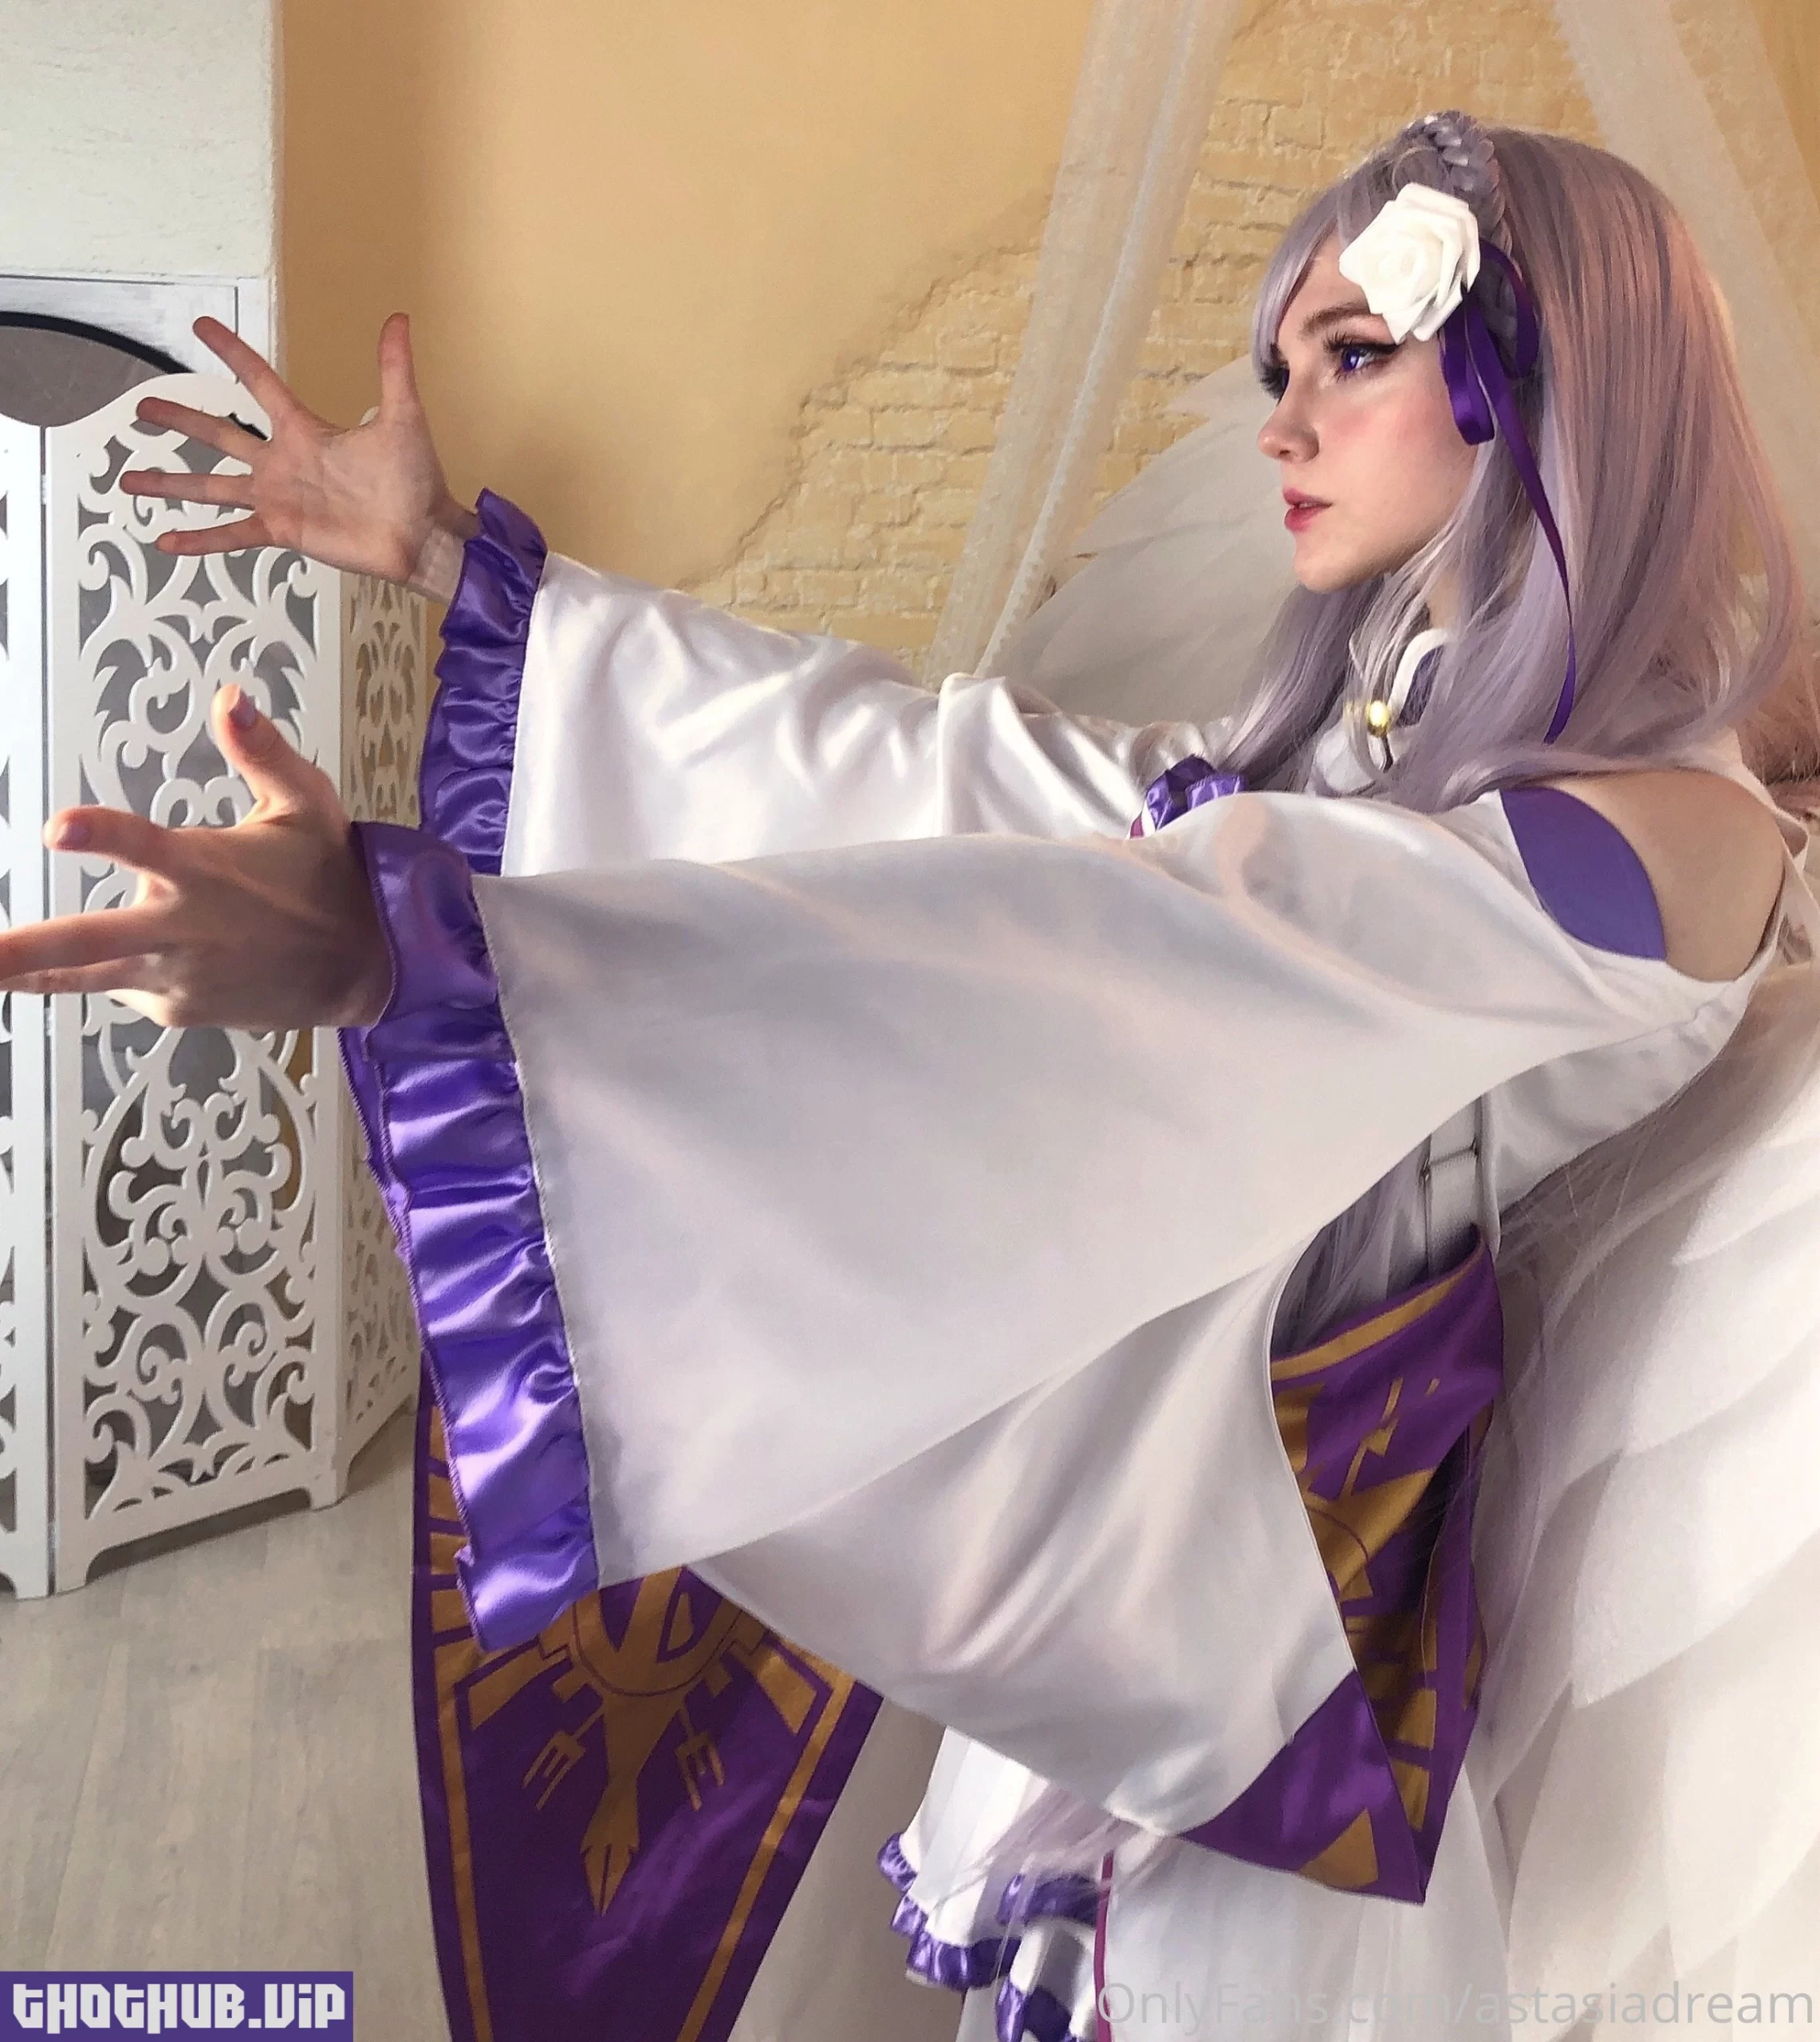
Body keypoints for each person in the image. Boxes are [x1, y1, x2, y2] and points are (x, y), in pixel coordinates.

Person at [5, 112, 1817, 2040]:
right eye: (1277, 369)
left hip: (1272, 1526)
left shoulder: (1652, 835)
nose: (1280, 427)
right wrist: (464, 571)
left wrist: (437, 957)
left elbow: (1140, 942)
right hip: (1222, 1444)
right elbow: (986, 770)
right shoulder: (1411, 708)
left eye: (1352, 357)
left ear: (1542, 386)